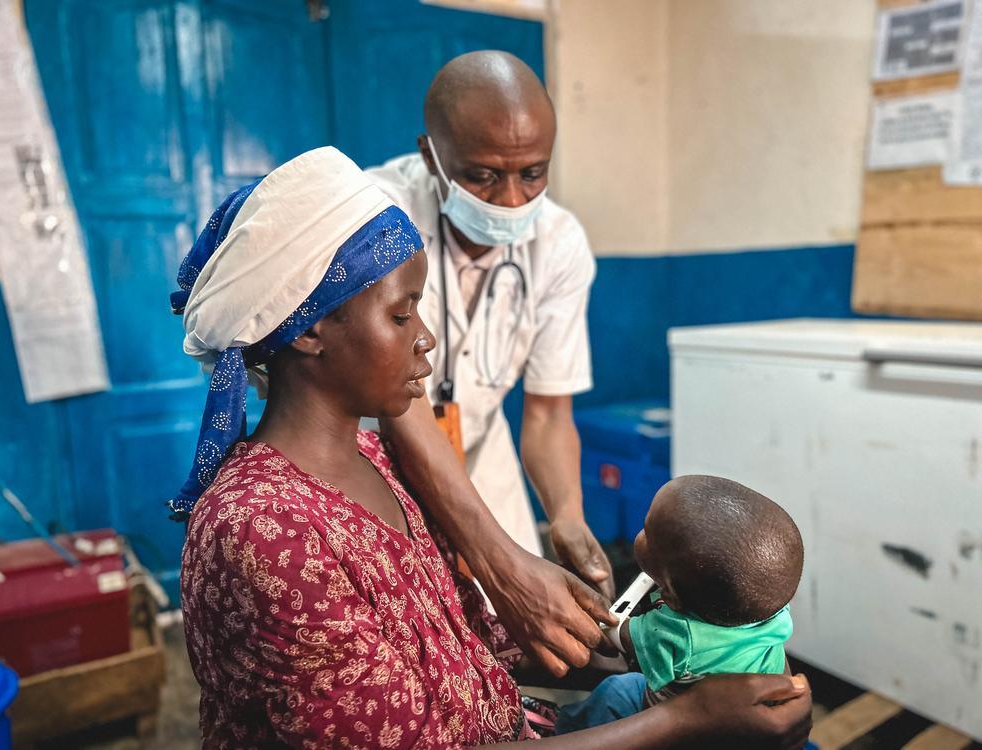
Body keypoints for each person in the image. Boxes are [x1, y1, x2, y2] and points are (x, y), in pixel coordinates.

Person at [175, 147, 813, 748]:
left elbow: (461, 644)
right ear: (311, 329)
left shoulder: (375, 463)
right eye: (401, 315)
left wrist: (645, 661)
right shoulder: (265, 532)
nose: (426, 340)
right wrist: (686, 719)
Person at [368, 50, 614, 601]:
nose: (511, 200)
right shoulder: (377, 217)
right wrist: (494, 558)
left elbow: (549, 411)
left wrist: (568, 520)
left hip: (479, 450)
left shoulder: (558, 243)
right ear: (430, 158)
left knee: (513, 637)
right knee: (415, 641)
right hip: (371, 455)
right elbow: (401, 405)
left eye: (532, 174)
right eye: (482, 177)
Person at [556, 476, 805, 734]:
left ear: (672, 596)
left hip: (672, 730)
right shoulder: (767, 608)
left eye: (648, 533)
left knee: (618, 691)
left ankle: (562, 730)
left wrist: (600, 622)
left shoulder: (676, 637)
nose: (641, 534)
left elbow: (614, 635)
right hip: (743, 728)